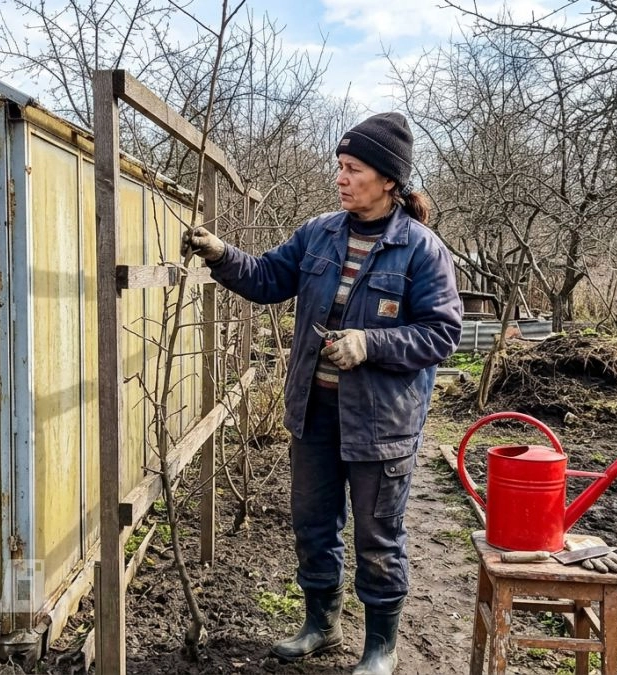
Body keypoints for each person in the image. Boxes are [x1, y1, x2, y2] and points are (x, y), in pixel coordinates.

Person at [182, 112, 463, 675]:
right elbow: (267, 278)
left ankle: (381, 646)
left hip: (382, 423)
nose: (340, 177)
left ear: (388, 180)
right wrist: (220, 254)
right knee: (313, 523)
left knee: (378, 536)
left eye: (353, 168)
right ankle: (321, 624)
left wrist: (370, 344)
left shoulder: (421, 250)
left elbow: (442, 333)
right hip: (315, 412)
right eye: (339, 166)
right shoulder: (320, 232)